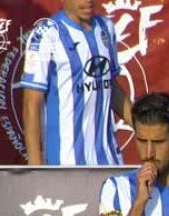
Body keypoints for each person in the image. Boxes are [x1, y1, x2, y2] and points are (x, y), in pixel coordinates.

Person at [20, 0, 132, 165]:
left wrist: (144, 127)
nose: (88, 1)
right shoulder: (45, 34)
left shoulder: (106, 27)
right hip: (66, 164)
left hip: (109, 161)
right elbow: (31, 103)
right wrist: (35, 166)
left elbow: (110, 85)